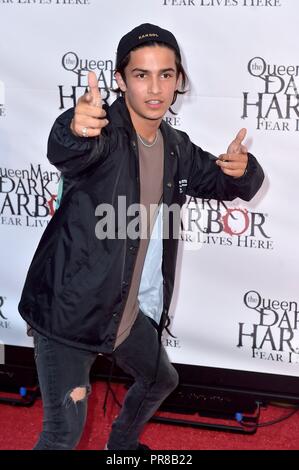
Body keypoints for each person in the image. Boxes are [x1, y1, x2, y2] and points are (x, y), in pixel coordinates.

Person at [18, 23, 264, 450]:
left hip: (122, 307)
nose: (155, 88)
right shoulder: (103, 134)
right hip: (69, 310)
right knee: (62, 434)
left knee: (159, 377)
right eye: (141, 74)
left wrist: (246, 171)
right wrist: (75, 129)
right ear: (120, 80)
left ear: (178, 81)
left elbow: (226, 184)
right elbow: (68, 148)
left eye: (166, 74)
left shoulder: (175, 147)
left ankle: (123, 450)